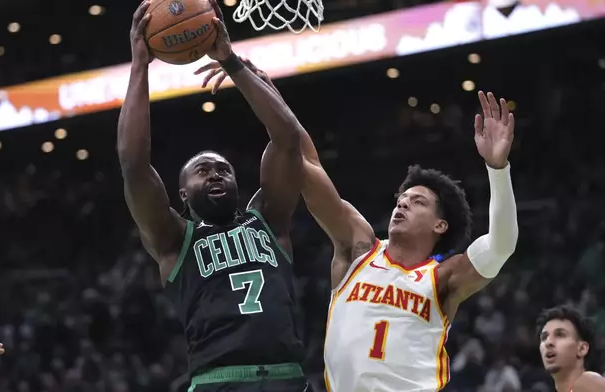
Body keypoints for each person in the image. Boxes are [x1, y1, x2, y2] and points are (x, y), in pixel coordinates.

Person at [197, 60, 518, 391]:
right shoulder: (359, 247)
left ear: (440, 225)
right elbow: (303, 160)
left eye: (418, 201)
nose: (403, 203)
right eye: (402, 198)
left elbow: (501, 244)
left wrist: (498, 168)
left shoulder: (443, 279)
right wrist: (262, 88)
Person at [118, 1, 309, 391]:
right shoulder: (175, 240)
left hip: (287, 378)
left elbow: (288, 139)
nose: (215, 174)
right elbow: (134, 163)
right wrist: (140, 66)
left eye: (223, 169)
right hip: (216, 382)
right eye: (202, 172)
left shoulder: (268, 220)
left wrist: (231, 63)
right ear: (182, 194)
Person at [536, 305, 605, 392]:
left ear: (582, 349)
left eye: (560, 335)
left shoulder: (591, 383)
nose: (548, 342)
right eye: (544, 337)